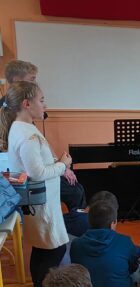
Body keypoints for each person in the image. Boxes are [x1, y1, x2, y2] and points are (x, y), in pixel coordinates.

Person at [1, 81, 71, 287]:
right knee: (54, 250)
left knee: (43, 249)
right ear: (26, 103)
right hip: (41, 204)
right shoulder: (28, 135)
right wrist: (63, 165)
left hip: (38, 201)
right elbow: (37, 172)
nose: (44, 105)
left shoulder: (20, 128)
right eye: (41, 100)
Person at [1, 59, 86, 209]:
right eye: (32, 79)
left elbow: (42, 143)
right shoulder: (18, 122)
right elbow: (36, 172)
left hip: (39, 171)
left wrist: (61, 166)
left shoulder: (24, 120)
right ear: (16, 80)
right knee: (75, 192)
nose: (35, 83)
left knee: (76, 189)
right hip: (27, 180)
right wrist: (61, 166)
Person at [70, 199, 140, 287]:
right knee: (137, 267)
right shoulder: (124, 240)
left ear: (89, 221)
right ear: (113, 223)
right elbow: (133, 266)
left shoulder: (76, 244)